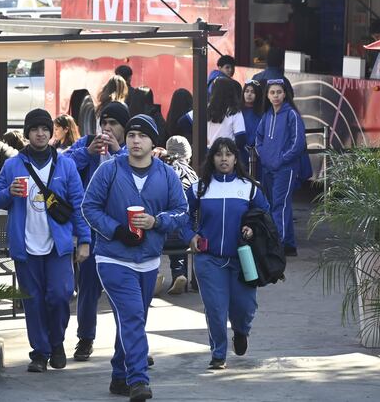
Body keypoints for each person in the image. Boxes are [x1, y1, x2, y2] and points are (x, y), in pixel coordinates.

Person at [81, 114, 188, 400]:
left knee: (132, 321)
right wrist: (115, 230)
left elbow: (182, 211)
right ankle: (138, 379)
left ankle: (119, 375)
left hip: (149, 260)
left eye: (142, 136)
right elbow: (89, 207)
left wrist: (158, 222)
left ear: (154, 142)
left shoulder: (166, 175)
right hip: (113, 258)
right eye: (131, 136)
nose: (135, 140)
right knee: (132, 315)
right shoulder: (109, 170)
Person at [0, 108, 92, 373]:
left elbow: (79, 204)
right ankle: (40, 352)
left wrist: (84, 240)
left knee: (59, 295)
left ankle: (56, 342)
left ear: (50, 132)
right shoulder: (13, 165)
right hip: (25, 245)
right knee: (32, 301)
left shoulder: (65, 164)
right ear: (27, 134)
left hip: (58, 245)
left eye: (45, 128)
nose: (41, 133)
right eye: (35, 129)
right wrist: (9, 193)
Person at [181, 137, 269, 370]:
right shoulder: (199, 187)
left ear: (235, 158)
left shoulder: (249, 187)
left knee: (245, 307)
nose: (223, 159)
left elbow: (265, 217)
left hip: (243, 259)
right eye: (218, 154)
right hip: (208, 260)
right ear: (212, 158)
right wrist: (191, 236)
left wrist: (253, 229)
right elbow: (183, 217)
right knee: (215, 308)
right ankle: (218, 353)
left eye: (228, 154)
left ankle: (241, 331)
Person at [63, 101, 130, 363]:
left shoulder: (129, 149)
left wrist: (118, 153)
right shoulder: (86, 144)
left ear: (124, 128)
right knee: (88, 287)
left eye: (113, 124)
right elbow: (62, 164)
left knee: (123, 292)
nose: (107, 128)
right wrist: (88, 153)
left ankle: (129, 344)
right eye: (104, 123)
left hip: (121, 232)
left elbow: (137, 174)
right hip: (91, 230)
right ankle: (85, 338)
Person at [255, 79, 306, 257]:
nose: (276, 96)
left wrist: (281, 159)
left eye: (279, 92)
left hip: (286, 168)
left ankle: (278, 245)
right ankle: (289, 245)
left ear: (285, 94)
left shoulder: (291, 114)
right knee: (277, 205)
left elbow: (298, 143)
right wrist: (264, 155)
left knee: (279, 206)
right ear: (267, 96)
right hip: (268, 168)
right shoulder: (267, 116)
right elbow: (258, 139)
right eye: (272, 92)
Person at [161, 136, 198, 295]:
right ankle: (179, 274)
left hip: (161, 236)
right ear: (188, 155)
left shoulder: (160, 170)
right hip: (186, 237)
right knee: (183, 224)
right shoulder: (192, 175)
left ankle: (155, 274)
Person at [206, 77, 246, 149]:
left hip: (209, 152)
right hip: (226, 154)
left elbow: (184, 121)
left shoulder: (206, 109)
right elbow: (241, 138)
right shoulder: (234, 111)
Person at [240, 80, 264, 177]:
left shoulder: (262, 113)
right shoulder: (237, 111)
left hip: (258, 154)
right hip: (240, 153)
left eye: (252, 92)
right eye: (247, 91)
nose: (249, 94)